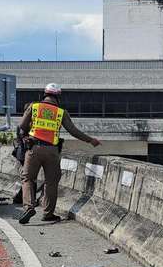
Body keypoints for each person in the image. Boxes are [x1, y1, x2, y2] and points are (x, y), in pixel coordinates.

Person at [16, 83, 101, 224]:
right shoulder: (61, 112)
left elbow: (21, 128)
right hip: (52, 151)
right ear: (58, 97)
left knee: (28, 179)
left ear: (45, 94)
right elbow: (73, 131)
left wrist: (22, 141)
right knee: (51, 182)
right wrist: (91, 140)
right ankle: (48, 213)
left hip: (34, 149)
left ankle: (28, 207)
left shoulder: (34, 107)